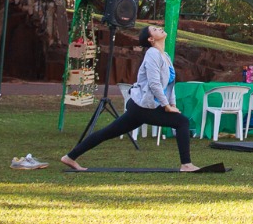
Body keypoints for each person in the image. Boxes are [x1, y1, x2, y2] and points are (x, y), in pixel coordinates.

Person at [61, 26, 199, 172]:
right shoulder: (152, 53)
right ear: (150, 39)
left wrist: (172, 104)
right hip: (142, 106)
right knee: (181, 122)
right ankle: (186, 164)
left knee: (108, 132)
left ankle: (70, 157)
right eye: (154, 29)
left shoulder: (165, 55)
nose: (160, 28)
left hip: (142, 107)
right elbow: (154, 83)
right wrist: (166, 106)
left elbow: (170, 85)